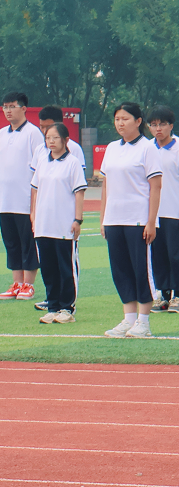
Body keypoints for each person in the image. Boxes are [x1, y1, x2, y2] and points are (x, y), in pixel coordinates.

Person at [99, 102, 163, 339]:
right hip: (114, 219)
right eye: (117, 119)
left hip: (138, 219)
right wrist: (103, 217)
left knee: (140, 270)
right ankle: (128, 319)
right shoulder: (112, 148)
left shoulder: (148, 148)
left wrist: (150, 221)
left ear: (138, 122)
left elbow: (155, 187)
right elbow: (106, 184)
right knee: (120, 270)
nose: (120, 123)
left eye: (125, 119)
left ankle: (144, 322)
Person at [29, 122, 85, 324]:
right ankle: (52, 306)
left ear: (65, 140)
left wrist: (77, 219)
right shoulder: (43, 161)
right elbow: (35, 188)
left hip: (63, 226)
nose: (50, 142)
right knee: (48, 267)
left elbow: (79, 192)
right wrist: (33, 214)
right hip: (44, 225)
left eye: (55, 138)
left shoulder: (73, 163)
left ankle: (67, 308)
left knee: (65, 268)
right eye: (47, 138)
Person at [145, 106, 179, 314]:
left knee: (176, 256)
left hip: (174, 213)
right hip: (153, 214)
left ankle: (177, 295)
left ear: (171, 126)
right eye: (154, 124)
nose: (158, 129)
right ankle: (162, 293)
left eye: (162, 124)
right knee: (157, 255)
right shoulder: (147, 148)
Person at [0, 92, 44, 301]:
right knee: (11, 243)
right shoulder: (2, 133)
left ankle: (29, 284)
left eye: (12, 106)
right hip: (5, 200)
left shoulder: (33, 133)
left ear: (23, 108)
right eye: (5, 107)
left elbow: (39, 165)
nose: (8, 110)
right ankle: (17, 283)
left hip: (25, 201)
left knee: (28, 243)